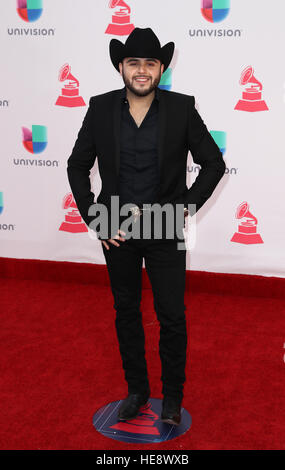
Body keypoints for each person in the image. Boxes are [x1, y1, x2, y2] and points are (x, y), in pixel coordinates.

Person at [67, 27, 226, 426]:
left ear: (161, 69)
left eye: (150, 64)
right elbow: (77, 165)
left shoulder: (181, 108)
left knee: (172, 315)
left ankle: (172, 397)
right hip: (115, 228)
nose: (142, 71)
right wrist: (94, 217)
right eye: (134, 63)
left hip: (165, 227)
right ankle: (137, 389)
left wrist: (186, 208)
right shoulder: (100, 108)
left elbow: (213, 163)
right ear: (121, 67)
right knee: (126, 312)